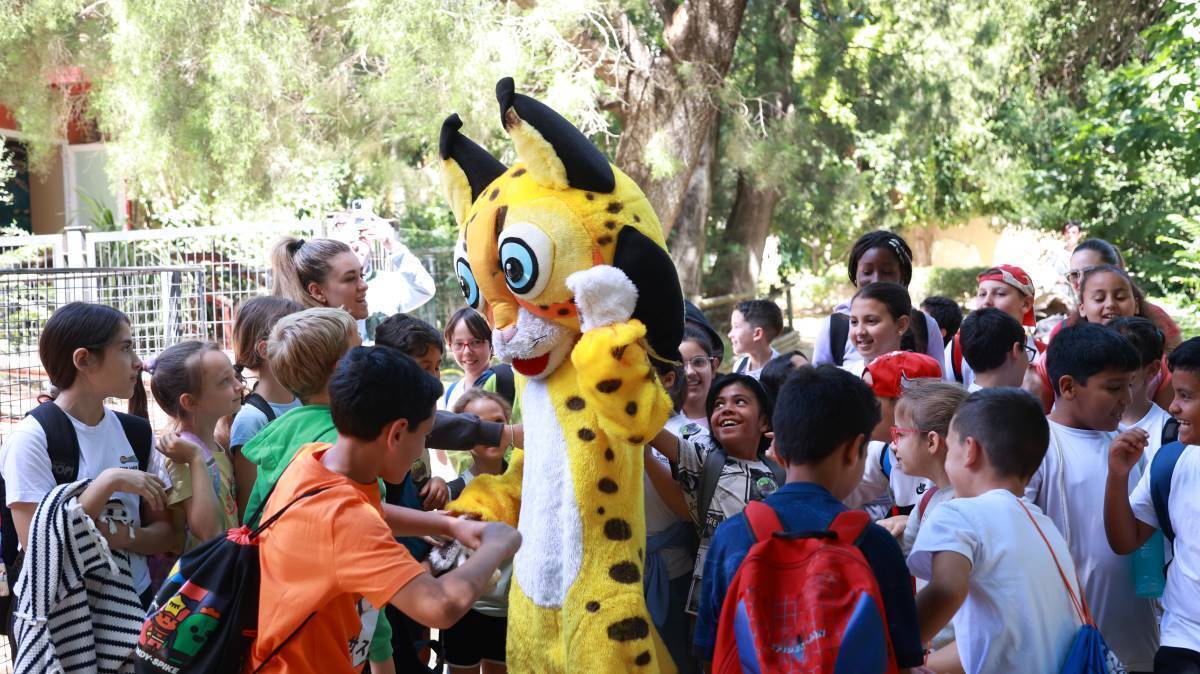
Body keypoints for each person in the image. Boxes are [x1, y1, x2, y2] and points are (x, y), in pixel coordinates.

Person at [248, 346, 522, 674]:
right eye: (423, 436)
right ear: (395, 434)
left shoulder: (316, 458)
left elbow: (374, 509)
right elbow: (439, 606)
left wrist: (451, 527)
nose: (422, 448)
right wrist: (497, 544)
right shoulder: (347, 522)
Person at [692, 365, 923, 668]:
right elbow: (903, 657)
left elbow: (710, 649)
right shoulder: (876, 545)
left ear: (778, 449)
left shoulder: (731, 536)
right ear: (855, 449)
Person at [0, 303, 173, 609]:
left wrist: (119, 536)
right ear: (83, 359)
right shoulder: (31, 438)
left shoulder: (137, 433)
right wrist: (108, 482)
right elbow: (40, 550)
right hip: (67, 620)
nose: (137, 362)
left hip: (136, 605)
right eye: (126, 348)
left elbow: (167, 535)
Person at [910, 388, 1084, 674]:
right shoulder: (1044, 525)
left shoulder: (957, 513)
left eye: (950, 449)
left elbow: (947, 588)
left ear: (970, 450)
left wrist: (894, 649)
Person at [1024, 322, 1159, 671]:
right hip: (1067, 640)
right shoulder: (1037, 447)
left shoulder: (1130, 445)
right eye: (1113, 388)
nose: (1127, 400)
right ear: (1068, 386)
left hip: (1135, 634)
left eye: (1129, 386)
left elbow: (1144, 541)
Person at [649, 374, 783, 615]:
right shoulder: (705, 462)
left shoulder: (781, 472)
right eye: (718, 405)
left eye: (740, 402)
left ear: (764, 422)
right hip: (712, 605)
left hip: (766, 599)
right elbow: (649, 431)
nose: (727, 409)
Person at [1104, 337, 1200, 672]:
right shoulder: (1171, 462)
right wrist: (1117, 475)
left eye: (1186, 397)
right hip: (1184, 639)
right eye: (1176, 393)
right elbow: (1125, 540)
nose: (1173, 407)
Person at [891, 379, 968, 668]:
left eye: (899, 434)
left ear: (933, 441)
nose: (893, 444)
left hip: (952, 658)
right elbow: (904, 558)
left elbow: (949, 592)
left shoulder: (959, 509)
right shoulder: (929, 500)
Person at [442, 390, 515, 674]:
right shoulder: (453, 491)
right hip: (465, 611)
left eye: (496, 423)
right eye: (477, 426)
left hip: (511, 612)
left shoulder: (527, 485)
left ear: (509, 426)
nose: (489, 433)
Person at [147, 341, 243, 553]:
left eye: (234, 375)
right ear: (190, 402)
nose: (239, 386)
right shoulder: (182, 454)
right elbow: (209, 532)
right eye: (225, 381)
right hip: (202, 577)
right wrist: (196, 459)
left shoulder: (214, 442)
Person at [641, 361, 701, 674]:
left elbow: (688, 509)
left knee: (677, 661)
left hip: (675, 573)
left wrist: (647, 455)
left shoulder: (691, 434)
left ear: (668, 379)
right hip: (622, 574)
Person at [812, 230, 944, 370]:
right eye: (867, 272)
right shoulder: (835, 328)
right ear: (855, 275)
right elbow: (817, 385)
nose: (876, 280)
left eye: (887, 272)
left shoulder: (926, 326)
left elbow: (940, 384)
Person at [844, 351, 941, 532]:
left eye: (871, 403)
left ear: (906, 408)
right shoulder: (881, 451)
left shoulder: (952, 458)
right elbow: (842, 495)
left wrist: (916, 522)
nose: (860, 412)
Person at [228, 296, 304, 517]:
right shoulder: (251, 420)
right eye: (298, 338)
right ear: (265, 350)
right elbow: (249, 510)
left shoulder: (303, 400)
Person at [1066, 238, 1181, 351]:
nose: (1080, 282)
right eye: (1074, 275)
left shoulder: (1158, 320)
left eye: (1089, 272)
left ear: (1117, 270)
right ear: (1082, 309)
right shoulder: (1064, 331)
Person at [948, 265, 1040, 387]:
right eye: (982, 294)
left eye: (1000, 294)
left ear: (1026, 304)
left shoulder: (1044, 354)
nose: (987, 301)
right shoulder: (958, 346)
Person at [1112, 316, 1174, 458]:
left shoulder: (1168, 433)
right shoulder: (1087, 422)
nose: (1113, 372)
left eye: (1127, 364)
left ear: (1152, 369)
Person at [271, 236, 369, 321]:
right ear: (317, 292)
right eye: (350, 279)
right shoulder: (319, 342)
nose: (364, 285)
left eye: (361, 275)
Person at [441, 307, 517, 413]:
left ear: (492, 343)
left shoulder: (506, 381)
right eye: (459, 344)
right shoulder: (451, 392)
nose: (467, 351)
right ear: (450, 346)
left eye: (476, 342)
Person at [843, 282, 914, 377]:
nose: (860, 331)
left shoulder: (921, 381)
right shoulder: (841, 380)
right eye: (854, 322)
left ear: (901, 325)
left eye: (871, 321)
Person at [958, 308, 1033, 391]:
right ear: (1017, 350)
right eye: (1026, 349)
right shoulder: (1015, 403)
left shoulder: (962, 401)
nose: (1029, 363)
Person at [728, 299, 783, 379]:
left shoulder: (782, 371)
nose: (730, 335)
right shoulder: (739, 366)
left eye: (736, 327)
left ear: (757, 334)